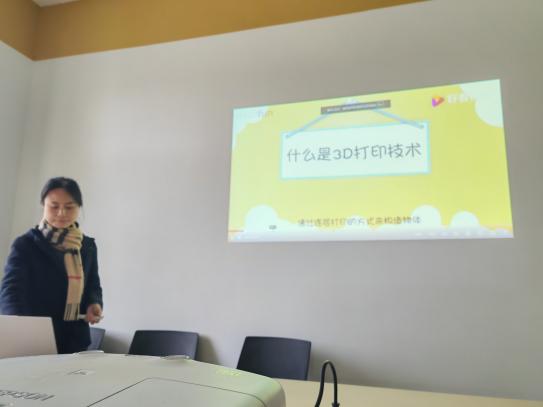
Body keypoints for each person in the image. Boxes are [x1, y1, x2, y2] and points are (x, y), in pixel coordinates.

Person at [0, 177, 103, 353]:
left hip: (75, 340)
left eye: (69, 207)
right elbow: (11, 292)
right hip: (35, 339)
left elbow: (93, 284)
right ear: (43, 205)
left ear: (79, 207)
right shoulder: (26, 244)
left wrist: (94, 303)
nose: (61, 213)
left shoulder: (87, 246)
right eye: (54, 206)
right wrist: (20, 329)